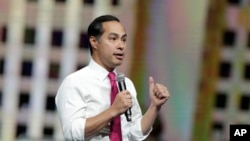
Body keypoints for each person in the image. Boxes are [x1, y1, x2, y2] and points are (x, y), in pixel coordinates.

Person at [55, 15, 170, 141]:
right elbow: (72, 133)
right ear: (94, 42)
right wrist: (113, 111)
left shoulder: (126, 84)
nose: (121, 46)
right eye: (113, 39)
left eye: (124, 39)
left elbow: (135, 134)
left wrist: (155, 106)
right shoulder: (75, 83)